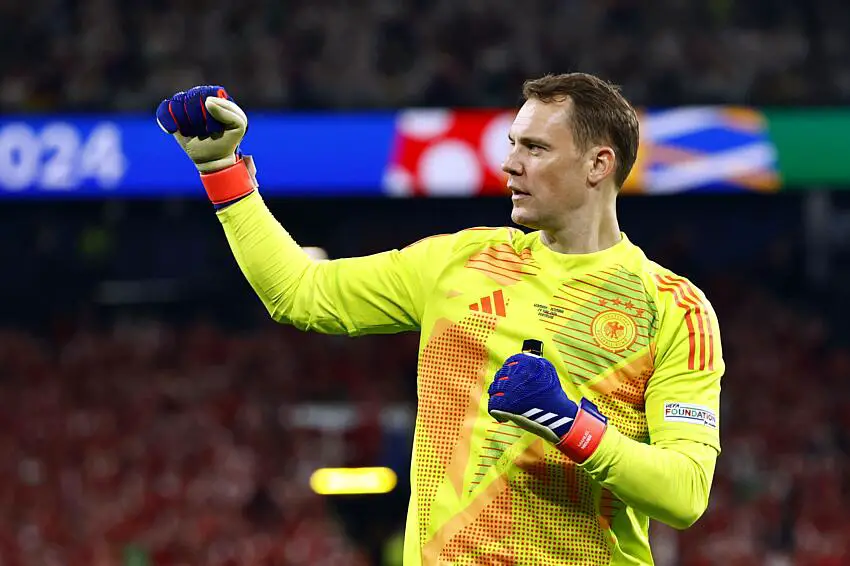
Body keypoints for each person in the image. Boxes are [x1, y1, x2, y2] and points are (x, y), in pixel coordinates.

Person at [156, 73, 724, 565]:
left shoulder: (675, 308)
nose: (510, 163)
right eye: (512, 144)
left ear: (599, 164)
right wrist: (220, 167)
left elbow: (685, 494)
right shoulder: (460, 262)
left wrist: (567, 423)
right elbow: (300, 293)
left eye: (535, 148)